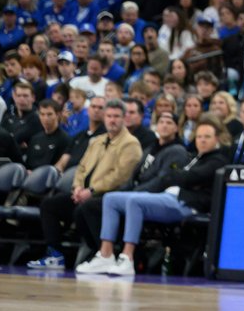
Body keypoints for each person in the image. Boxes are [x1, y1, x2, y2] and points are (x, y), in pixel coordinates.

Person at [76, 117, 230, 277]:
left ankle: (127, 257)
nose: (202, 140)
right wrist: (180, 176)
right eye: (199, 137)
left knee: (134, 201)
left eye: (207, 137)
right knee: (110, 199)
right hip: (170, 196)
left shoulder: (217, 160)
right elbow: (180, 176)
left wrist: (179, 176)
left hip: (187, 204)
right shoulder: (196, 157)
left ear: (217, 139)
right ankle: (106, 254)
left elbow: (188, 177)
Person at [27, 99, 142, 269]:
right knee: (49, 205)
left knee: (85, 209)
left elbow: (120, 176)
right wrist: (77, 188)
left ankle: (105, 254)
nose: (112, 120)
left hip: (109, 197)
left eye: (116, 116)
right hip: (85, 194)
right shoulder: (97, 140)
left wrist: (91, 190)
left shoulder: (130, 143)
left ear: (124, 118)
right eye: (109, 116)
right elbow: (81, 168)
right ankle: (55, 255)